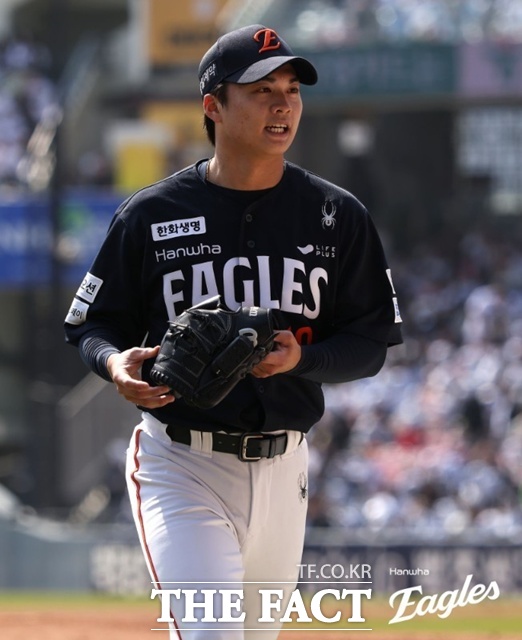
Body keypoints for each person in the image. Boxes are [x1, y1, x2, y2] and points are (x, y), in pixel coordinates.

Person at [64, 23, 402, 639]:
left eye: (292, 89)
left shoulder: (337, 216)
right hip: (181, 463)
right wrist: (113, 363)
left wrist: (300, 360)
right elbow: (92, 324)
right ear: (213, 106)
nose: (283, 104)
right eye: (261, 89)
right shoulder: (151, 214)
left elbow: (371, 343)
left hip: (286, 468)